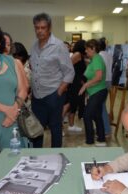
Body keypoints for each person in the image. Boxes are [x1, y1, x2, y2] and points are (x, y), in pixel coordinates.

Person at [29, 12, 74, 148]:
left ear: (49, 28)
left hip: (53, 95)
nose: (40, 31)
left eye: (43, 27)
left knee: (55, 129)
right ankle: (35, 158)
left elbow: (69, 72)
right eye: (37, 28)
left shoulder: (59, 46)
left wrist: (59, 92)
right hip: (37, 97)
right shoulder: (34, 46)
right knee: (36, 130)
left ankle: (56, 158)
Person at [79, 39, 107, 146]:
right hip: (95, 92)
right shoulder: (93, 60)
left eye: (87, 49)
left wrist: (86, 85)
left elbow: (99, 77)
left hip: (98, 92)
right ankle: (101, 140)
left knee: (87, 116)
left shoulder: (97, 59)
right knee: (97, 116)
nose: (85, 51)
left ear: (93, 49)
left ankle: (90, 141)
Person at [65, 39, 86, 133]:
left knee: (73, 104)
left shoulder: (80, 55)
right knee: (69, 104)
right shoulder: (77, 54)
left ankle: (71, 125)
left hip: (77, 82)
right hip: (74, 83)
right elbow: (67, 67)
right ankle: (58, 126)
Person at [99, 37, 112, 136]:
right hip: (108, 81)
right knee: (102, 106)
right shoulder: (109, 55)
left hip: (102, 82)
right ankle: (103, 128)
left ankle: (106, 130)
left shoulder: (99, 56)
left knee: (101, 106)